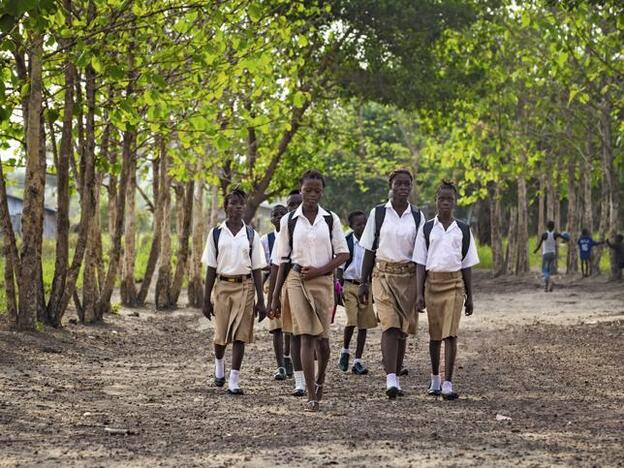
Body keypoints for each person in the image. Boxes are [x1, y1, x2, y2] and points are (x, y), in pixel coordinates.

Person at [271, 170, 349, 412]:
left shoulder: (330, 219)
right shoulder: (289, 221)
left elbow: (343, 253)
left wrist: (320, 270)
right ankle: (311, 394)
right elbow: (281, 260)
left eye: (317, 191)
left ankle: (321, 377)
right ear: (300, 189)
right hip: (296, 280)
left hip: (323, 281)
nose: (312, 195)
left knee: (322, 342)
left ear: (322, 191)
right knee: (305, 335)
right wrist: (274, 295)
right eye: (308, 190)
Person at [358, 169, 425, 399]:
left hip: (408, 277)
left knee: (402, 329)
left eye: (407, 184)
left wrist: (421, 287)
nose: (403, 187)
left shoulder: (417, 216)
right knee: (390, 325)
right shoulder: (378, 214)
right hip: (382, 275)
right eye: (399, 184)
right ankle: (391, 380)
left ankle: (396, 372)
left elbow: (421, 254)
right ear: (391, 185)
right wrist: (363, 282)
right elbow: (369, 249)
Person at [414, 181, 479, 400]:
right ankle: (435, 379)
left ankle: (448, 382)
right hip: (433, 284)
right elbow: (420, 263)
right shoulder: (427, 228)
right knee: (435, 335)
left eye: (449, 199)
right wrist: (419, 293)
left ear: (455, 202)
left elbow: (467, 264)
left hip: (455, 284)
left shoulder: (462, 229)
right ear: (436, 201)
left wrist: (470, 296)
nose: (445, 203)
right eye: (442, 199)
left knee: (450, 334)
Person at [201, 189, 267, 395]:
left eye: (241, 204)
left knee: (240, 334)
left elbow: (257, 269)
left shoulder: (251, 234)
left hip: (245, 287)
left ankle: (234, 380)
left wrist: (261, 300)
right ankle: (219, 366)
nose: (237, 207)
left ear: (244, 207)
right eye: (233, 203)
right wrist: (206, 299)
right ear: (226, 206)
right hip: (222, 286)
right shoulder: (216, 233)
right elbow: (211, 268)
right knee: (221, 334)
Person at [267, 189, 306, 396]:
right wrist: (273, 296)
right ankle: (289, 369)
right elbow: (276, 264)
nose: (293, 210)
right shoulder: (282, 231)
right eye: (290, 205)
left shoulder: (321, 224)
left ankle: (310, 374)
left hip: (313, 284)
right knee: (283, 328)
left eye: (296, 205)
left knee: (308, 334)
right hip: (284, 284)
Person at [337, 210, 377, 375]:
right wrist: (338, 287)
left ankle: (358, 361)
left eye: (365, 223)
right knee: (351, 320)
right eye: (358, 224)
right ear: (351, 226)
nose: (362, 226)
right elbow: (340, 267)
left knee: (364, 324)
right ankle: (345, 351)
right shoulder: (346, 241)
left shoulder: (372, 242)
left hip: (365, 286)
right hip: (349, 285)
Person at [261, 204, 289, 381]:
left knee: (292, 327)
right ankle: (281, 366)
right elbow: (263, 265)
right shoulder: (266, 239)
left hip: (292, 283)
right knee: (277, 327)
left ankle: (289, 358)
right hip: (273, 284)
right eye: (275, 214)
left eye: (282, 214)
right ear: (271, 219)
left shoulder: (293, 235)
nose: (278, 217)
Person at [534, 221, 565, 292]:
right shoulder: (555, 234)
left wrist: (536, 250)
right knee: (550, 271)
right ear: (553, 227)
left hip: (545, 254)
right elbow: (563, 237)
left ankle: (547, 285)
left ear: (547, 227)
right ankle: (549, 284)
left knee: (545, 270)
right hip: (552, 254)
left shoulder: (544, 234)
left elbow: (539, 245)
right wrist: (566, 239)